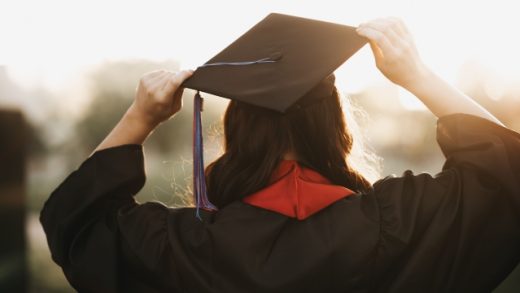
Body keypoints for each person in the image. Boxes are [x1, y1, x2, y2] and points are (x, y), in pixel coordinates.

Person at [40, 16, 520, 293]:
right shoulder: (398, 225)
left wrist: (139, 117)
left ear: (238, 129)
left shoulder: (183, 248)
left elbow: (75, 221)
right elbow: (507, 173)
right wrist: (417, 75)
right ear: (335, 126)